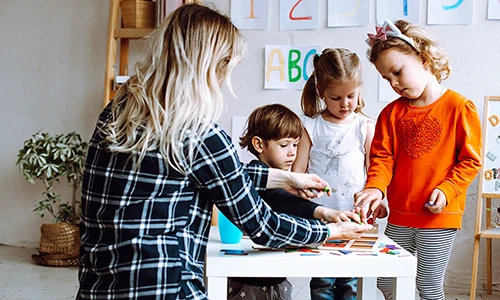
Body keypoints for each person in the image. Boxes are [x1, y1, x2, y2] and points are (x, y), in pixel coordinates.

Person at [77, 4, 372, 300]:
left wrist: (286, 179)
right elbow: (262, 226)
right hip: (165, 287)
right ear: (210, 66)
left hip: (98, 286)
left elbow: (217, 173)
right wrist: (330, 232)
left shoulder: (116, 113)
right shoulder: (200, 132)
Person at [354, 20, 482, 300]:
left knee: (428, 287)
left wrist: (447, 190)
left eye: (398, 72)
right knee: (387, 283)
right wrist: (375, 188)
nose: (395, 83)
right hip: (399, 216)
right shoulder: (390, 114)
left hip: (437, 218)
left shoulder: (460, 108)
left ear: (423, 59)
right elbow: (382, 158)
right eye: (388, 79)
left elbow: (470, 161)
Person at [228, 103, 362, 300]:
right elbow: (281, 199)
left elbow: (290, 202)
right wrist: (326, 213)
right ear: (259, 145)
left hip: (274, 277)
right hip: (252, 281)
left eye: (295, 144)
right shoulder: (254, 176)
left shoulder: (284, 178)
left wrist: (328, 213)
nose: (292, 152)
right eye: (284, 145)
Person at [292, 48, 385, 300]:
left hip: (355, 218)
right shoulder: (310, 125)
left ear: (359, 91)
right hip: (320, 218)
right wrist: (298, 201)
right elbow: (298, 171)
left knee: (349, 283)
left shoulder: (364, 126)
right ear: (321, 92)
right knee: (322, 282)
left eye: (351, 96)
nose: (345, 104)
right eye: (335, 98)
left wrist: (379, 200)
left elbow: (374, 171)